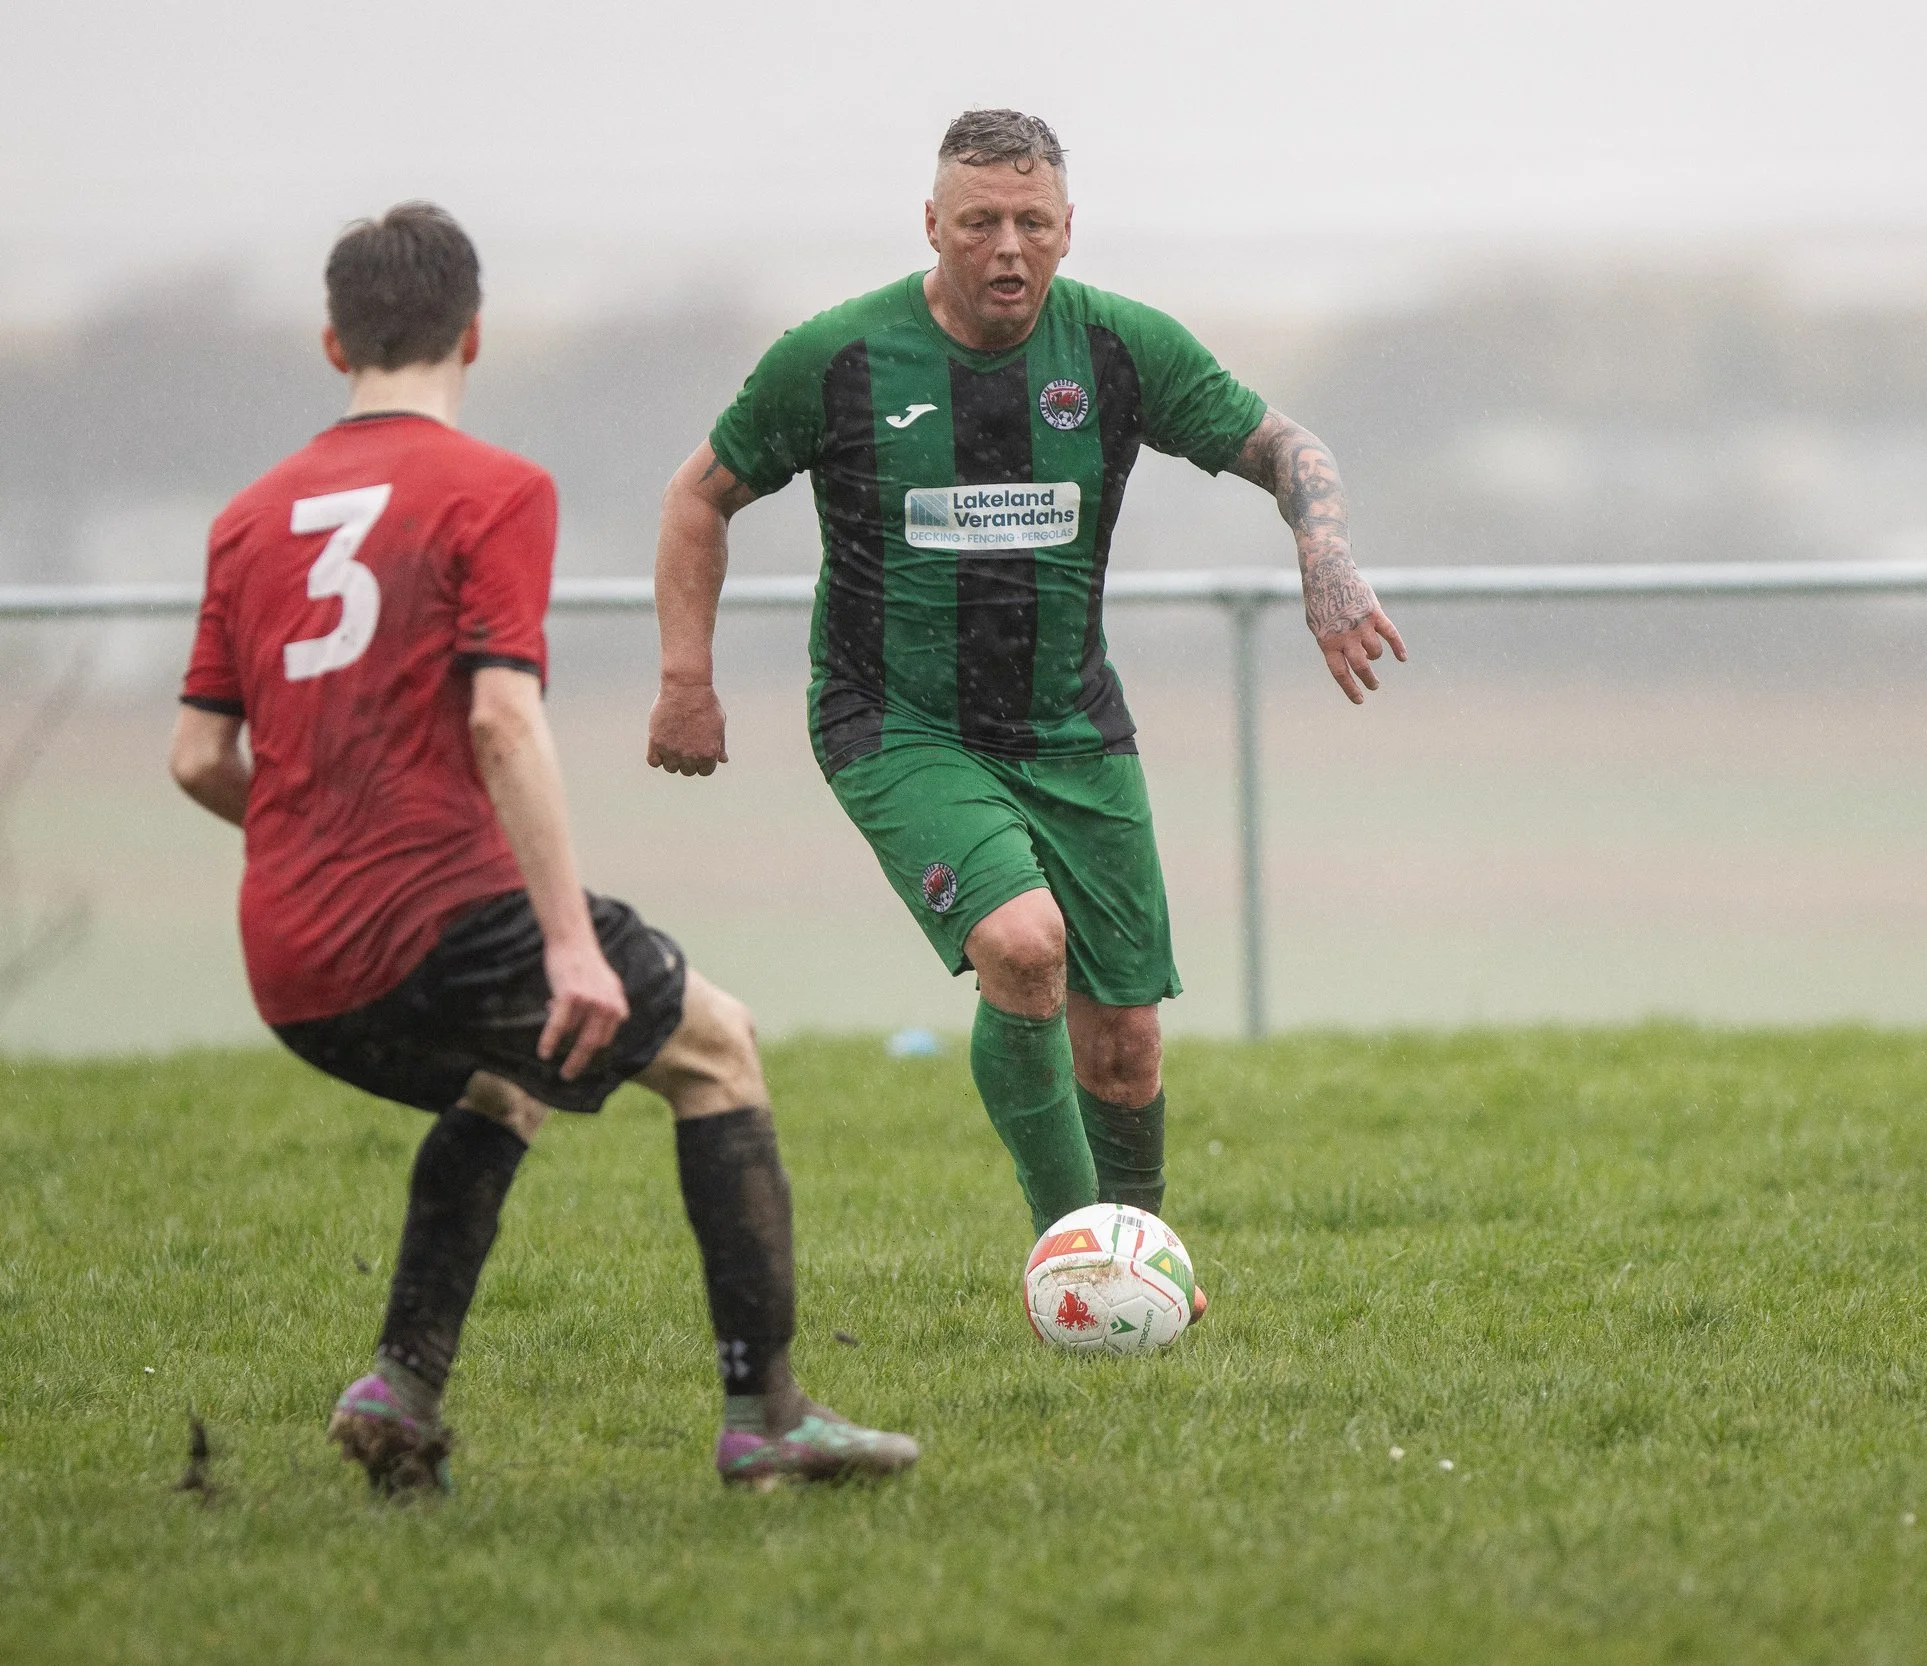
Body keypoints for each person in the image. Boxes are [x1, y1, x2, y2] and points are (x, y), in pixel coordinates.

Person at [168, 202, 917, 1495]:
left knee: (501, 1085)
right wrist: (571, 942)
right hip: (441, 920)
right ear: (474, 332)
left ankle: (399, 1393)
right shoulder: (495, 490)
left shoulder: (249, 517)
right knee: (719, 1049)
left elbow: (196, 758)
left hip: (290, 960)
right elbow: (503, 716)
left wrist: (312, 840)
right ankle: (768, 1415)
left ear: (331, 337)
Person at [645, 110, 1405, 1275]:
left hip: (1070, 724)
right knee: (1022, 944)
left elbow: (1286, 446)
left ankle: (1139, 1259)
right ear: (933, 226)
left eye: (1031, 222)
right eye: (980, 222)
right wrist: (686, 677)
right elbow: (699, 496)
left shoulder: (1116, 347)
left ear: (1066, 228)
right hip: (895, 722)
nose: (1007, 247)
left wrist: (1324, 558)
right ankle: (1082, 1266)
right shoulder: (838, 359)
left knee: (1126, 1050)